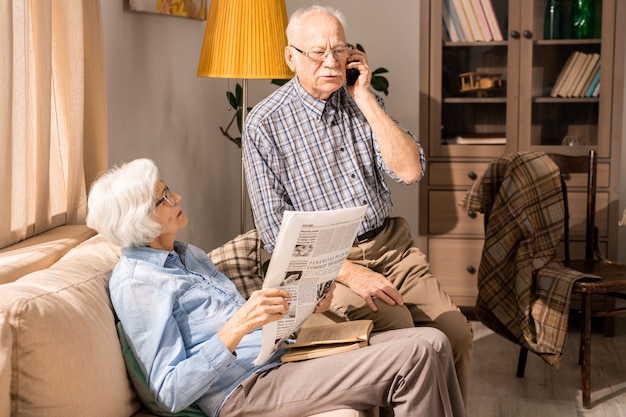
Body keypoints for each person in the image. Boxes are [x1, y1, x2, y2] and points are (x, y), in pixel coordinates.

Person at [86, 158, 466, 417]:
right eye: (164, 198)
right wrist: (236, 327)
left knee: (434, 340)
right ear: (141, 220)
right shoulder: (138, 283)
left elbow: (263, 329)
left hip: (278, 359)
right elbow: (169, 391)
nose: (177, 198)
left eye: (169, 190)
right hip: (243, 391)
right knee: (416, 354)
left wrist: (304, 302)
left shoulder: (189, 255)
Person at [242, 4, 474, 401]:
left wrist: (364, 98)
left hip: (392, 249)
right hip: (329, 263)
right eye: (317, 52)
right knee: (402, 330)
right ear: (290, 56)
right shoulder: (264, 124)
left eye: (339, 50)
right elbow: (272, 230)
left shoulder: (361, 99)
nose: (330, 62)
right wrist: (347, 272)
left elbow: (410, 171)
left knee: (456, 333)